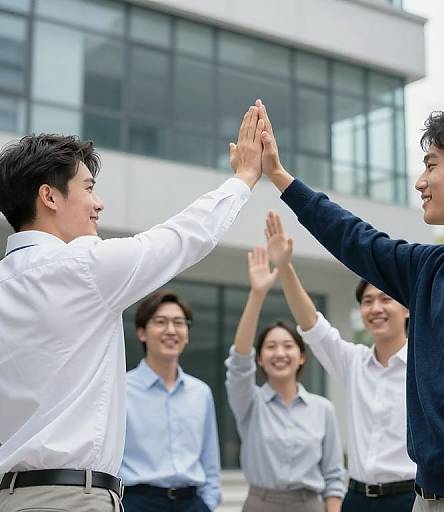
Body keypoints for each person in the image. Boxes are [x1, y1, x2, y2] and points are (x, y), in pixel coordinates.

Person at [0, 104, 264, 512]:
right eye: (88, 188)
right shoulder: (83, 266)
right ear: (49, 196)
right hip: (73, 500)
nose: (98, 203)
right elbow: (182, 237)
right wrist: (244, 177)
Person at [255, 101, 444, 512]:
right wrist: (280, 177)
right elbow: (354, 238)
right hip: (425, 500)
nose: (419, 182)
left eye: (431, 165)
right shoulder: (429, 269)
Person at [264, 211, 415, 512]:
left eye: (386, 299)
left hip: (408, 499)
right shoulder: (353, 362)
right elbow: (311, 324)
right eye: (367, 301)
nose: (375, 308)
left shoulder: (423, 364)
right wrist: (284, 267)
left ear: (408, 309)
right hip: (357, 499)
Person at [225, 245, 346, 512]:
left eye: (288, 346)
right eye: (270, 347)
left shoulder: (322, 409)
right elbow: (238, 363)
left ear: (302, 356)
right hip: (260, 503)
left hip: (309, 504)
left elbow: (334, 475)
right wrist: (257, 294)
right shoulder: (250, 404)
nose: (280, 353)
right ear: (259, 358)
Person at [120, 290, 221, 512]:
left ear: (187, 333)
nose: (171, 330)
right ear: (142, 333)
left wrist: (209, 502)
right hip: (138, 502)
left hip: (192, 503)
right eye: (160, 322)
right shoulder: (121, 390)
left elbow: (210, 459)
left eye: (179, 323)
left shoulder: (200, 392)